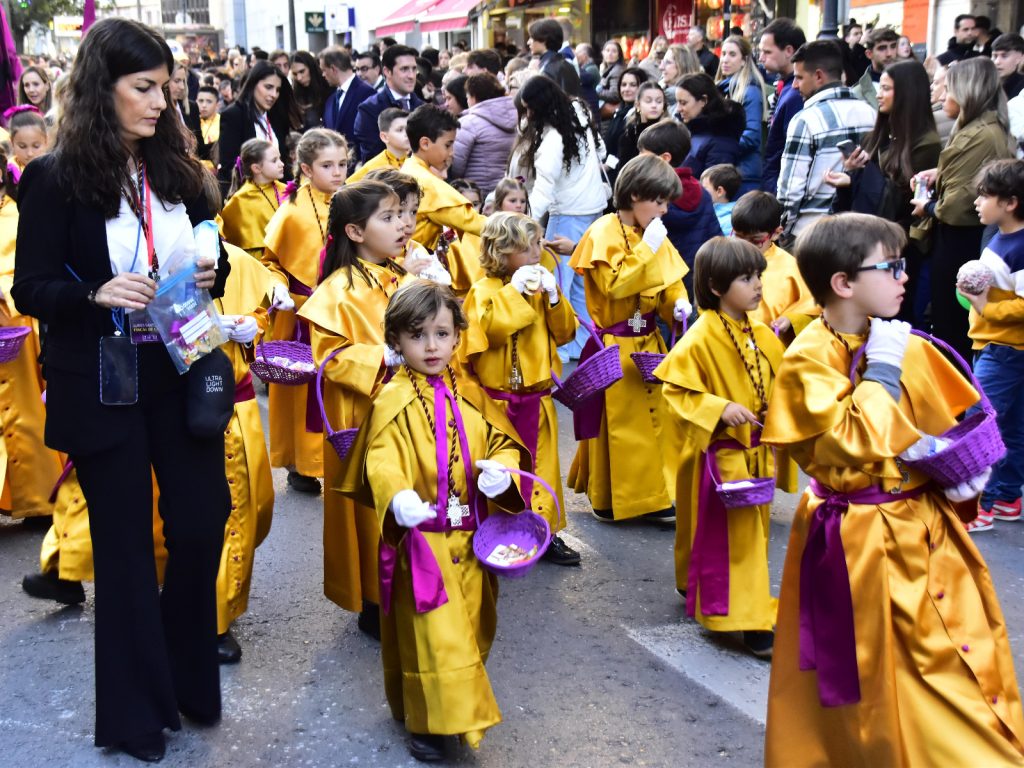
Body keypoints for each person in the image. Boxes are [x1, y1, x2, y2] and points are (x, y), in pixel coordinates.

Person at [12, 18, 231, 762]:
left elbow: (205, 249)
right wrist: (94, 293)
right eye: (144, 87)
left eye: (166, 88)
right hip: (104, 376)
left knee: (201, 520)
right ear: (101, 88)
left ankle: (181, 674)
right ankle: (136, 711)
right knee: (125, 545)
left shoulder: (178, 169)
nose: (160, 102)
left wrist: (210, 270)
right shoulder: (54, 176)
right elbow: (30, 286)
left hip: (181, 360)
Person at [762, 212, 1024, 767]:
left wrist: (962, 477)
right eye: (892, 267)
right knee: (881, 666)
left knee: (953, 654)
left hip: (925, 525)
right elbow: (852, 441)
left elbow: (945, 426)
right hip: (858, 539)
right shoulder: (809, 358)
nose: (906, 277)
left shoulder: (898, 340)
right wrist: (881, 372)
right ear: (843, 283)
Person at [338, 280, 530, 762]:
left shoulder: (472, 394)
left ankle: (440, 706)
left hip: (473, 540)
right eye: (417, 335)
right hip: (423, 543)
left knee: (472, 628)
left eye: (441, 334)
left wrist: (501, 471)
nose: (431, 346)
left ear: (458, 336)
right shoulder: (391, 399)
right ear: (396, 341)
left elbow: (502, 442)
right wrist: (397, 496)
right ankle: (435, 723)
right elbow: (381, 457)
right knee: (434, 637)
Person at [298, 180, 430, 640]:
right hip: (363, 413)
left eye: (403, 215)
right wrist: (381, 357)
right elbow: (328, 359)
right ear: (355, 232)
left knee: (415, 494)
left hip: (411, 406)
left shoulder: (402, 275)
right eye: (388, 218)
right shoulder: (338, 290)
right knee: (372, 509)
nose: (402, 225)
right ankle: (377, 597)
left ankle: (417, 584)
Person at [656, 236, 786, 658]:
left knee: (747, 535)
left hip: (757, 453)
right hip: (723, 455)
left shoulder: (762, 333)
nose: (757, 286)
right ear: (715, 286)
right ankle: (749, 620)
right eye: (746, 279)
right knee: (738, 537)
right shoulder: (700, 337)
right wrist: (718, 408)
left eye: (758, 276)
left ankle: (702, 586)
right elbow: (676, 391)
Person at [568, 154, 690, 522]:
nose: (665, 210)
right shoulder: (603, 231)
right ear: (636, 195)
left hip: (649, 341)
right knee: (621, 426)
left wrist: (677, 303)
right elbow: (616, 286)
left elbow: (669, 282)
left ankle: (657, 495)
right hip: (615, 345)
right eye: (659, 201)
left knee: (660, 423)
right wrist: (647, 249)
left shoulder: (651, 234)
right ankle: (610, 498)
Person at [460, 212, 579, 564]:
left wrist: (554, 298)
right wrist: (513, 292)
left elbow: (566, 334)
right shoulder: (483, 291)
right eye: (527, 247)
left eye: (538, 244)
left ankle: (545, 532)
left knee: (542, 470)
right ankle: (495, 532)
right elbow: (488, 333)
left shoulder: (541, 289)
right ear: (501, 251)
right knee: (499, 471)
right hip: (495, 401)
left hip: (536, 398)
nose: (537, 252)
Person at [198, 171, 276, 664]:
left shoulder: (238, 260)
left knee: (251, 505)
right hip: (182, 403)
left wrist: (252, 327)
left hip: (239, 402)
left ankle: (219, 605)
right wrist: (210, 332)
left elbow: (261, 311)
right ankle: (211, 617)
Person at [261, 129, 349, 494]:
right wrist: (277, 285)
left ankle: (342, 456)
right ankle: (301, 463)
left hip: (342, 310)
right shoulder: (292, 211)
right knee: (300, 394)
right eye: (327, 165)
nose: (337, 172)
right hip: (300, 312)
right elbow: (271, 262)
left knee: (340, 385)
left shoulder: (352, 202)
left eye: (342, 164)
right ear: (307, 169)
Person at [911, 57, 1013, 362]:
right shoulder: (980, 128)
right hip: (961, 237)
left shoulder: (980, 135)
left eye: (948, 89)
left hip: (960, 238)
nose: (942, 96)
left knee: (951, 326)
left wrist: (928, 206)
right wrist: (938, 173)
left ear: (967, 93)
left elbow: (958, 204)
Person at [826, 59, 941, 328]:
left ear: (907, 93)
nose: (879, 94)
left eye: (887, 89)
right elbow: (860, 198)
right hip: (863, 241)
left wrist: (862, 177)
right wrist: (850, 175)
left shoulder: (927, 145)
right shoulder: (877, 135)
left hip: (899, 247)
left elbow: (905, 202)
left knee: (893, 320)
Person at [509, 75, 607, 359]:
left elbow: (544, 188)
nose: (527, 114)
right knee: (582, 284)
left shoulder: (552, 139)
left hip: (567, 214)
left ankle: (558, 350)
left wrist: (523, 221)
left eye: (529, 108)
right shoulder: (578, 112)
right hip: (594, 209)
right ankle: (582, 345)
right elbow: (601, 150)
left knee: (555, 283)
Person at [957, 159, 1024, 531]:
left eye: (985, 196)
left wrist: (985, 307)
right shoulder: (1003, 237)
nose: (977, 202)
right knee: (1011, 425)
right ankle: (1007, 497)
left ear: (1010, 202)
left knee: (980, 423)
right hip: (1000, 346)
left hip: (1004, 350)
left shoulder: (1019, 247)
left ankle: (979, 505)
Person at [0, 148, 63, 526]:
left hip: (14, 326)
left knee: (25, 412)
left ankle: (36, 496)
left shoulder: (17, 215)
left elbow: (29, 269)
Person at [777, 40, 876, 239]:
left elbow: (790, 191)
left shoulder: (805, 120)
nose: (795, 85)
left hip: (811, 233)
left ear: (819, 76)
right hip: (861, 229)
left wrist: (782, 232)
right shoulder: (871, 113)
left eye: (799, 77)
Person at [399, 105, 485, 293]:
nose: (452, 152)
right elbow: (470, 220)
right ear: (425, 143)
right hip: (414, 266)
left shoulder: (412, 168)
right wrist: (515, 230)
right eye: (448, 145)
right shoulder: (424, 180)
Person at [637, 119, 723, 296]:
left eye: (643, 155)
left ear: (664, 158)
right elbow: (715, 237)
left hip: (661, 279)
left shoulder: (649, 197)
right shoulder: (702, 192)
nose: (638, 159)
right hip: (696, 277)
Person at [731, 190, 815, 340]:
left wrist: (790, 319)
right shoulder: (724, 259)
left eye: (755, 241)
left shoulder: (791, 268)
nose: (745, 246)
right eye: (739, 237)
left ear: (776, 233)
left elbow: (811, 307)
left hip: (771, 344)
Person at [216, 60, 299, 195]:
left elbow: (283, 161)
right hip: (246, 195)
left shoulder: (277, 117)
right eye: (268, 87)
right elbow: (229, 166)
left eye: (277, 90)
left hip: (276, 194)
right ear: (253, 84)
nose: (274, 94)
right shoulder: (233, 115)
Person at [353, 44, 424, 164]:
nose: (412, 76)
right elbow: (372, 159)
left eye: (414, 69)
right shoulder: (369, 109)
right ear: (387, 71)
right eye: (404, 69)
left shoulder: (424, 108)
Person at [758, 18, 806, 195]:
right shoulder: (785, 86)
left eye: (767, 52)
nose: (761, 58)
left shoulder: (796, 93)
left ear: (789, 51)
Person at [449, 73, 516, 198]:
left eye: (468, 97)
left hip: (475, 193)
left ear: (473, 97)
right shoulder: (517, 119)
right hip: (506, 192)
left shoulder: (468, 123)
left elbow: (457, 166)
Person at [715, 35, 767, 192]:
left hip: (744, 174)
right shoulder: (722, 89)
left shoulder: (750, 91)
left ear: (744, 60)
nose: (725, 59)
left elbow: (751, 136)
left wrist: (722, 149)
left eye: (732, 54)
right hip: (729, 171)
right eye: (723, 54)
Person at [219, 138, 286, 256]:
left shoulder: (286, 190)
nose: (282, 164)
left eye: (279, 158)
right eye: (274, 160)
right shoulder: (240, 200)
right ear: (256, 168)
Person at [676, 73, 745, 179]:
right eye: (677, 102)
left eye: (683, 103)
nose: (678, 109)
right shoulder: (695, 131)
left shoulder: (722, 140)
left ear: (703, 100)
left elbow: (714, 186)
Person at [319, 46, 376, 154]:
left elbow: (370, 137)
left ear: (333, 69)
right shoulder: (331, 99)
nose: (323, 75)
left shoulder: (367, 93)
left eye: (324, 70)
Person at [603, 66, 647, 186]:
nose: (627, 89)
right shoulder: (620, 111)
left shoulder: (639, 116)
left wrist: (608, 165)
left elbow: (627, 149)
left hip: (623, 176)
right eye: (623, 85)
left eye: (633, 85)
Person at [347, 107, 409, 183]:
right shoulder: (374, 166)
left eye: (408, 128)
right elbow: (348, 186)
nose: (407, 134)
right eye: (400, 130)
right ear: (384, 137)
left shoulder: (417, 160)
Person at [617, 81, 668, 169]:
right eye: (648, 101)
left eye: (659, 101)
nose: (654, 105)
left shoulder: (669, 132)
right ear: (638, 105)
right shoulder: (629, 133)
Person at [528, 18, 580, 97]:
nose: (528, 42)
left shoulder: (549, 69)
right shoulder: (563, 64)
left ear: (543, 39)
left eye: (531, 38)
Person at [851, 26, 898, 111]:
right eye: (882, 48)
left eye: (893, 46)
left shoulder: (910, 83)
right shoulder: (857, 93)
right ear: (869, 54)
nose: (889, 53)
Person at [170, 59, 207, 163]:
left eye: (183, 81)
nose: (182, 87)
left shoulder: (191, 107)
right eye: (177, 81)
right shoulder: (158, 112)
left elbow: (201, 148)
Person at [290, 50, 332, 130]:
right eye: (295, 74)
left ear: (311, 67)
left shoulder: (330, 87)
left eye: (302, 71)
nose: (299, 78)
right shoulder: (295, 95)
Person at [701, 164, 742, 236]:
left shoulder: (729, 222)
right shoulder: (709, 213)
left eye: (704, 188)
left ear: (719, 191)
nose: (701, 191)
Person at [659, 43, 700, 111]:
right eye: (662, 62)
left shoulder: (693, 104)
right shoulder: (659, 89)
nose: (661, 67)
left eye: (668, 62)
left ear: (683, 66)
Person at [6, 107, 48, 175]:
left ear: (46, 141)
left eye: (36, 146)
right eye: (22, 146)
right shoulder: (7, 173)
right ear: (11, 143)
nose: (29, 153)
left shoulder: (55, 170)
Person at [597, 41, 625, 119]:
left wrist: (597, 92)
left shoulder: (617, 71)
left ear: (619, 55)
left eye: (614, 51)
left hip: (610, 115)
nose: (610, 54)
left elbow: (615, 94)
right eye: (607, 50)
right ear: (603, 53)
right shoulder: (607, 68)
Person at [992, 33, 1024, 100]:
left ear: (1021, 57)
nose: (997, 62)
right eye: (995, 56)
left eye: (1004, 56)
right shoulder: (987, 83)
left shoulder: (1021, 88)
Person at [195, 85, 221, 164]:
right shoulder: (191, 122)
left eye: (209, 101)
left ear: (217, 105)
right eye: (201, 101)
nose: (204, 105)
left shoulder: (223, 123)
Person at [575, 43, 601, 119]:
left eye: (577, 53)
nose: (575, 56)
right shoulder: (586, 68)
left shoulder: (590, 69)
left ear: (585, 55)